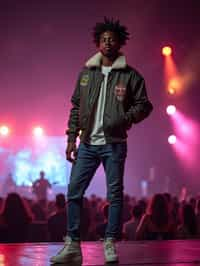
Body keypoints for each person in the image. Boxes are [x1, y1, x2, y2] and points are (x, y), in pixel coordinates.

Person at [50, 17, 153, 264]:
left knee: (114, 195)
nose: (107, 42)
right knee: (74, 192)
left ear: (120, 43)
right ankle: (73, 245)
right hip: (86, 144)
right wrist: (71, 139)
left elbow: (145, 105)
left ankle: (110, 242)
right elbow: (76, 107)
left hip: (114, 143)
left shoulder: (131, 76)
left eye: (112, 39)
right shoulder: (86, 73)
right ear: (98, 42)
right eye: (103, 39)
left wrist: (123, 119)